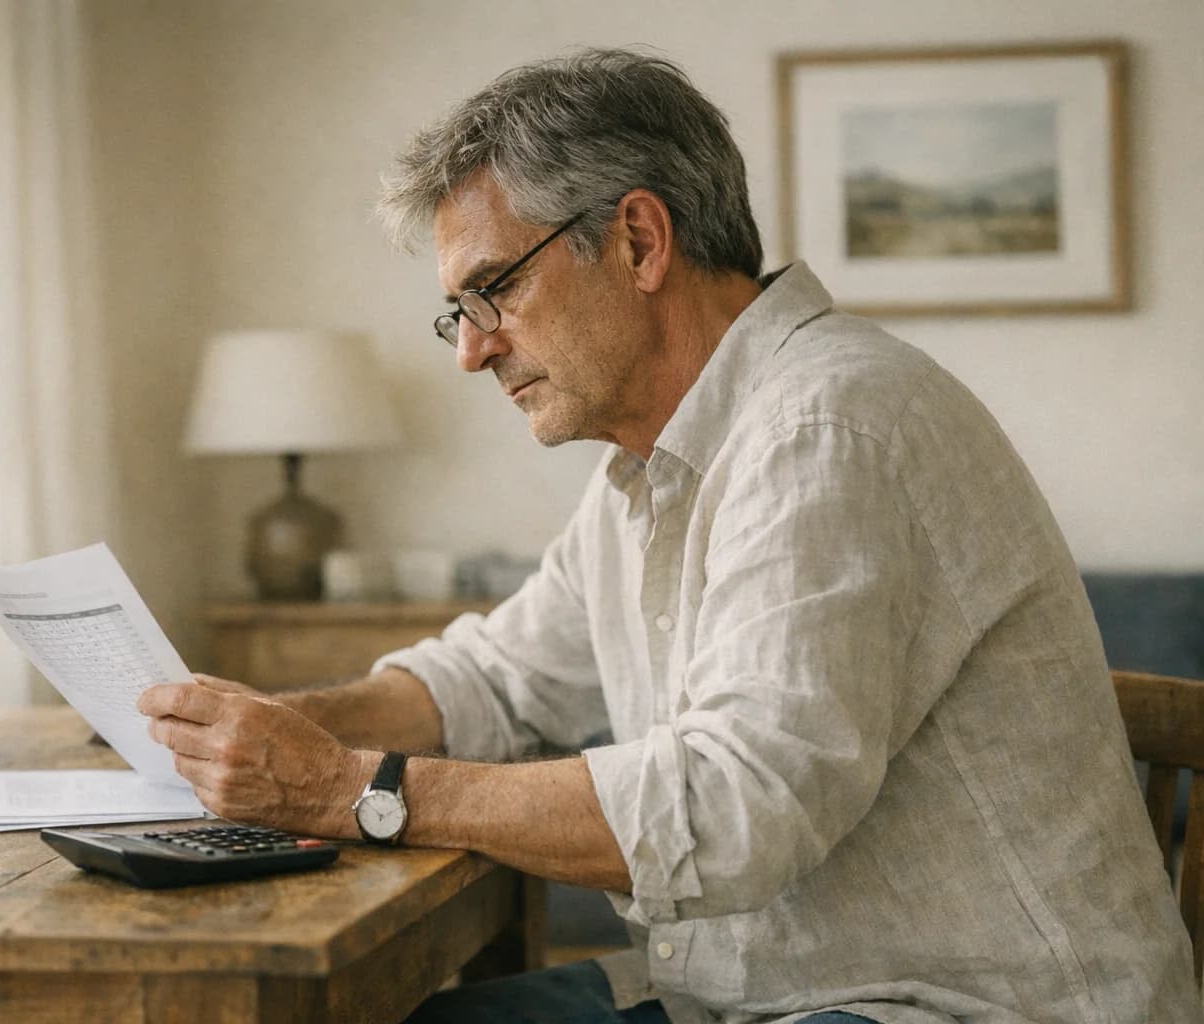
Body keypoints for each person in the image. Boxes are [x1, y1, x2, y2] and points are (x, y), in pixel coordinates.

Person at [138, 48, 1201, 1023]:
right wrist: (273, 732)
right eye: (458, 310)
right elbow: (497, 682)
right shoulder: (649, 467)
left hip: (963, 1006)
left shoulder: (829, 425)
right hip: (769, 995)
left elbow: (736, 805)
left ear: (640, 241)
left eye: (494, 289)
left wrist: (349, 790)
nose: (472, 352)